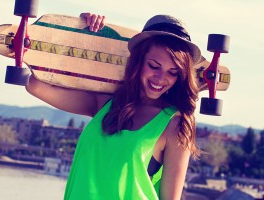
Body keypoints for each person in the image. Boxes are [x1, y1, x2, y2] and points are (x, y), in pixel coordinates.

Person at [26, 13, 202, 200]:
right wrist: (82, 33)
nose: (160, 78)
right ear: (138, 61)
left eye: (172, 72)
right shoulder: (106, 104)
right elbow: (35, 85)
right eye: (154, 66)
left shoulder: (174, 124)